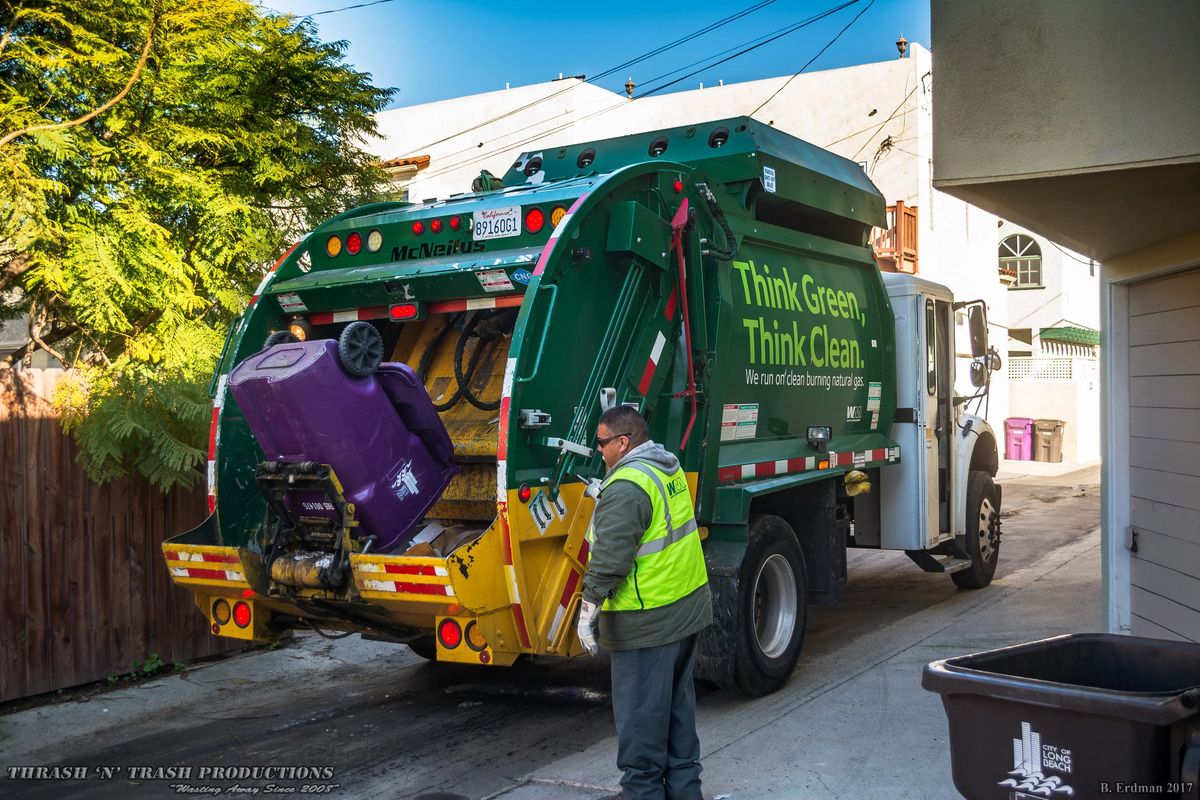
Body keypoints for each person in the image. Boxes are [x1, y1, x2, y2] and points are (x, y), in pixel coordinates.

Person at [578, 405, 713, 800]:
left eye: (602, 442)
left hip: (646, 624)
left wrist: (588, 612)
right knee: (677, 721)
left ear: (623, 442)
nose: (598, 449)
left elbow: (609, 561)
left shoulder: (626, 487)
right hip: (683, 612)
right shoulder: (665, 468)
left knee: (641, 735)